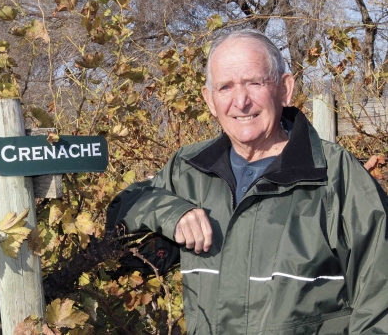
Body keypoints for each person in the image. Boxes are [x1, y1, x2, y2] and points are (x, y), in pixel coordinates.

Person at [107, 29, 388, 334]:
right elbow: (122, 214)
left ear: (284, 89)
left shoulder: (333, 175)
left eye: (254, 83)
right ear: (210, 100)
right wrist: (171, 213)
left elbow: (380, 298)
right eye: (225, 87)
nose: (240, 101)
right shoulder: (188, 170)